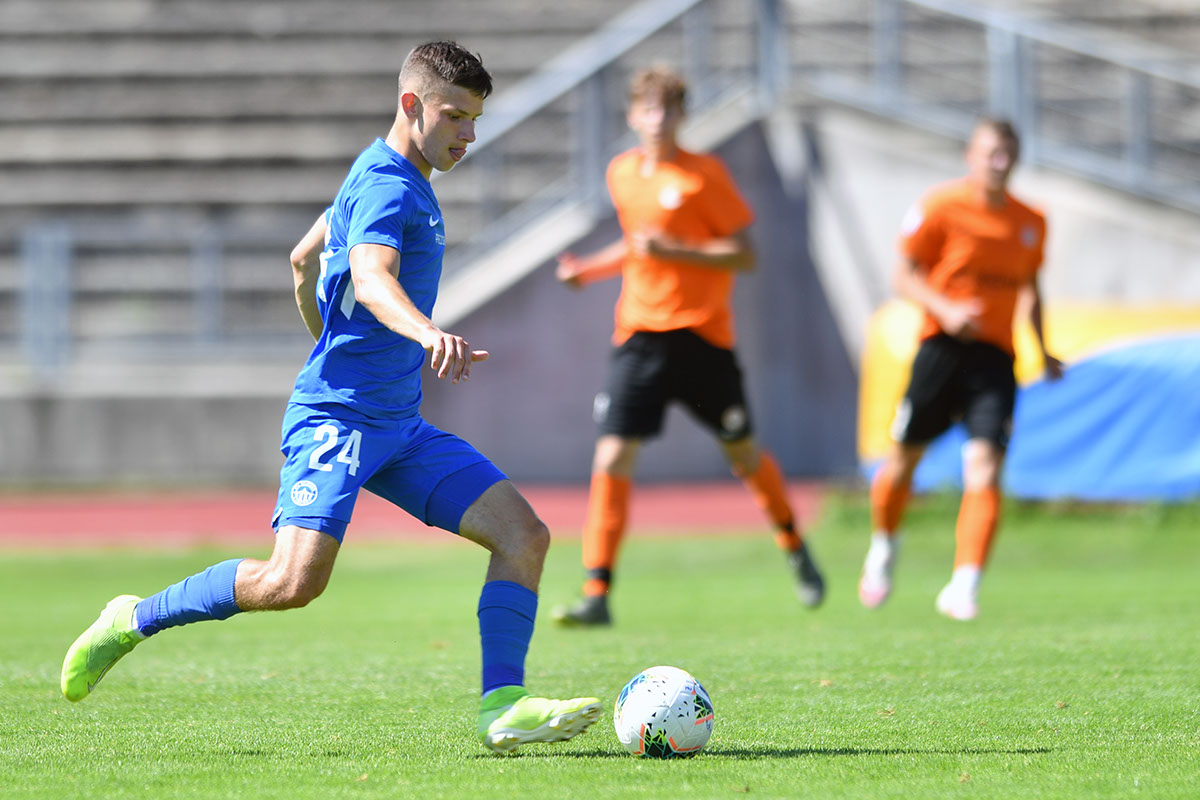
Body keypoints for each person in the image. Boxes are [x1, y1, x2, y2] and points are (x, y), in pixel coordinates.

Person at [60, 41, 601, 754]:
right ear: (411, 105)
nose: (469, 134)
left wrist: (333, 339)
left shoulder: (378, 171)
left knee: (523, 535)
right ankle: (133, 617)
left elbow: (302, 258)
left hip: (398, 425)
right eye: (455, 116)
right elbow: (372, 277)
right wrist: (422, 333)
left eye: (475, 119)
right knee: (291, 582)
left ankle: (503, 705)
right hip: (339, 421)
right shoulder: (389, 188)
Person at [552, 65, 825, 627]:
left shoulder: (705, 175)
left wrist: (676, 250)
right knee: (612, 456)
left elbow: (744, 254)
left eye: (669, 109)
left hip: (702, 338)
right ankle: (597, 592)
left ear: (682, 116)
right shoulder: (622, 173)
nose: (658, 119)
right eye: (649, 109)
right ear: (633, 115)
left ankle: (795, 545)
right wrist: (588, 270)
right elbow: (637, 246)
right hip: (639, 337)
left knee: (743, 455)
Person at [858, 116, 1064, 621]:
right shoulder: (940, 206)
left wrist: (1044, 349)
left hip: (995, 359)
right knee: (902, 461)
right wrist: (946, 309)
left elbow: (1031, 289)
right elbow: (902, 276)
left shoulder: (1031, 221)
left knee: (985, 465)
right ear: (971, 156)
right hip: (941, 351)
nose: (999, 162)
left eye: (1007, 153)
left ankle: (963, 585)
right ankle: (884, 544)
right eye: (991, 152)